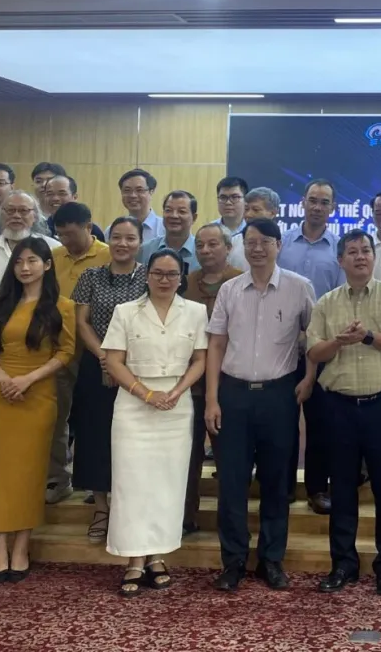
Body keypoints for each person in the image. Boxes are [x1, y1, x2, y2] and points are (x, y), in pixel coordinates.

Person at [205, 219, 314, 592]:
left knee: (276, 481)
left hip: (279, 395)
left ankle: (271, 559)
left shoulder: (299, 288)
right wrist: (212, 398)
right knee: (232, 482)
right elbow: (216, 344)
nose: (257, 248)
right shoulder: (230, 289)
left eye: (265, 241)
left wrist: (308, 378)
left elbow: (314, 339)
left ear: (278, 245)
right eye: (250, 242)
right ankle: (233, 561)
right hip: (233, 395)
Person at [307, 230, 381, 596]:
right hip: (338, 407)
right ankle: (343, 564)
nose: (360, 256)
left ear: (373, 256)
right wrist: (338, 342)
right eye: (352, 252)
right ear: (340, 260)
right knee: (341, 487)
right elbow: (314, 353)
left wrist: (368, 336)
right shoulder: (326, 302)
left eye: (365, 250)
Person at [100, 249, 208, 596]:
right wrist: (145, 394)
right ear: (147, 275)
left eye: (172, 274)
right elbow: (113, 361)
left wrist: (176, 391)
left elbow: (200, 359)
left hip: (176, 405)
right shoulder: (126, 311)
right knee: (132, 484)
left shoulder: (195, 312)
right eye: (158, 273)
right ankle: (134, 559)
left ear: (181, 278)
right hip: (133, 403)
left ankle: (157, 556)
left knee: (167, 483)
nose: (164, 280)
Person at [0, 237, 76, 583]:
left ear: (47, 265)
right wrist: (5, 379)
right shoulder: (2, 303)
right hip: (1, 395)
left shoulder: (61, 306)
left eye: (32, 261)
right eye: (19, 261)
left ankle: (21, 547)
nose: (25, 267)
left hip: (38, 395)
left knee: (29, 475)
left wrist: (29, 379)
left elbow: (65, 352)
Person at [70, 218, 146, 547]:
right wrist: (105, 357)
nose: (123, 244)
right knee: (95, 436)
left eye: (130, 238)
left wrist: (121, 362)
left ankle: (129, 509)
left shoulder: (149, 276)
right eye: (117, 237)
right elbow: (81, 322)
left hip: (137, 366)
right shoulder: (91, 276)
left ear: (140, 242)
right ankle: (101, 508)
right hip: (96, 363)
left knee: (131, 438)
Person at [279, 178, 343, 513]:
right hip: (282, 346)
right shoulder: (283, 243)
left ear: (333, 208)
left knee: (321, 422)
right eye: (313, 200)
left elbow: (342, 300)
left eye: (324, 202)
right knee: (282, 419)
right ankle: (283, 485)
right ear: (302, 202)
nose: (317, 207)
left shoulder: (340, 248)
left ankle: (318, 488)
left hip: (323, 348)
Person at [47, 202, 111, 505]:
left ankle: (94, 482)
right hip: (59, 349)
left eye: (70, 234)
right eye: (60, 235)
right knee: (56, 416)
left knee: (91, 419)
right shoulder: (53, 257)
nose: (65, 241)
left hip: (96, 351)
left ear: (88, 227)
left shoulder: (108, 255)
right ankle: (58, 479)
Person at [182, 223, 243, 536]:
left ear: (228, 248)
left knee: (230, 459)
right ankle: (184, 518)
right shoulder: (185, 283)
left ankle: (230, 523)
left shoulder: (241, 282)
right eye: (200, 245)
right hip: (189, 383)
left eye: (213, 244)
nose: (205, 250)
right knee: (187, 456)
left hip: (229, 383)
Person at [0, 190, 63, 288]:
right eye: (10, 210)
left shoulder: (53, 248)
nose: (16, 216)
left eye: (23, 211)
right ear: (1, 214)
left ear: (35, 216)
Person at [138, 191, 200, 274]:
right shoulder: (145, 250)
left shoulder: (201, 251)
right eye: (168, 210)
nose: (174, 216)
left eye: (181, 211)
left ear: (194, 218)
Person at [224, 186, 281, 271]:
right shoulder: (233, 243)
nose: (248, 214)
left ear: (273, 213)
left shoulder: (286, 243)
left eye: (256, 210)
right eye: (246, 209)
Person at [43, 177, 105, 242]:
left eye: (62, 193)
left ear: (74, 197)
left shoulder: (89, 229)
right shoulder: (41, 229)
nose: (55, 198)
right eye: (50, 194)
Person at [113, 169, 165, 240]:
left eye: (139, 190)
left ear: (151, 191)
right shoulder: (113, 231)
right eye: (127, 190)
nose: (133, 195)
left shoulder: (165, 228)